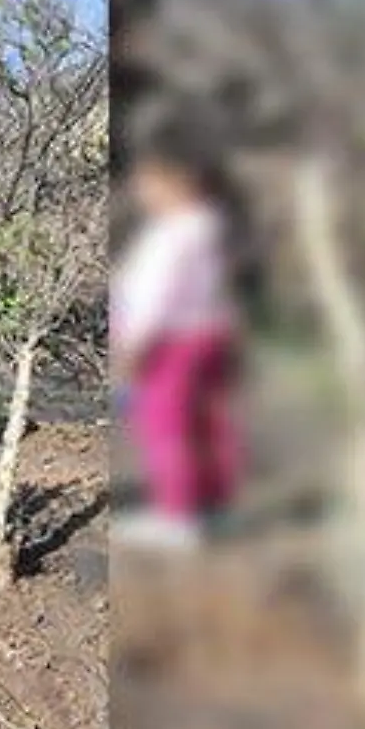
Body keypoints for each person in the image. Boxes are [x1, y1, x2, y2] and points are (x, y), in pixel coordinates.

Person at [111, 139, 244, 550]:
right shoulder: (210, 225)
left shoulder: (169, 236)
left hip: (169, 341)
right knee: (208, 421)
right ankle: (216, 505)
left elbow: (154, 295)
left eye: (147, 184)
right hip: (211, 331)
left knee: (165, 425)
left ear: (173, 184)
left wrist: (133, 345)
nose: (142, 193)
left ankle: (178, 518)